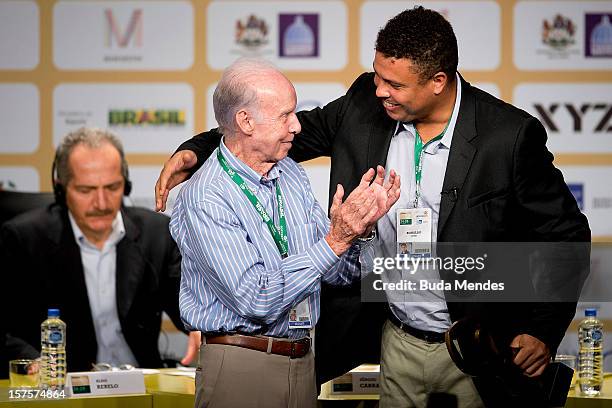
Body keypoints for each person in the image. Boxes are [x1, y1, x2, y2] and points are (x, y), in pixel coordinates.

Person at [155, 7, 590, 407]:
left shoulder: (509, 136)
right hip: (393, 338)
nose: (379, 89)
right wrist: (196, 150)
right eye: (377, 75)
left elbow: (566, 235)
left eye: (395, 84)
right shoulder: (366, 100)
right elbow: (275, 134)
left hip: (475, 348)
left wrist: (543, 329)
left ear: (437, 81)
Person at [169, 59, 400, 408]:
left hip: (304, 362)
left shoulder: (289, 172)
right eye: (286, 115)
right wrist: (335, 240)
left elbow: (336, 272)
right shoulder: (206, 195)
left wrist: (359, 234)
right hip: (241, 365)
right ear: (245, 122)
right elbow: (255, 299)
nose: (296, 126)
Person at [0, 127, 200, 373]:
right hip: (66, 385)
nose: (102, 203)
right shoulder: (23, 239)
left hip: (141, 385)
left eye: (112, 187)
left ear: (125, 185)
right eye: (86, 191)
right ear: (61, 188)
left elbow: (187, 306)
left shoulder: (157, 233)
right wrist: (31, 361)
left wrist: (200, 327)